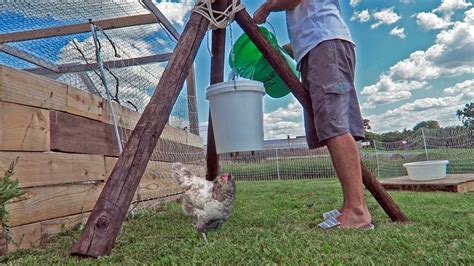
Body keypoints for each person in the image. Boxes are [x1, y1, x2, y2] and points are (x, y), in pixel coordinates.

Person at [254, 0, 373, 229]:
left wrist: (266, 7)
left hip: (324, 44)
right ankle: (351, 206)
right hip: (319, 46)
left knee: (334, 125)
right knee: (330, 127)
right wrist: (284, 49)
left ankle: (357, 212)